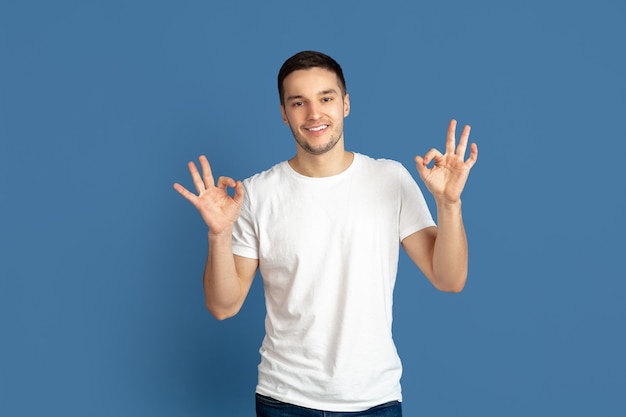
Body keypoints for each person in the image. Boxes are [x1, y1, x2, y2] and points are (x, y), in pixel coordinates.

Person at [173, 50, 478, 417]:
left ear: (345, 104)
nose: (314, 113)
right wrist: (219, 235)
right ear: (284, 114)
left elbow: (450, 278)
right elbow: (223, 307)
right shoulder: (257, 193)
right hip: (285, 400)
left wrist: (449, 205)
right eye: (298, 102)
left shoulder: (390, 179)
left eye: (326, 98)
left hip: (374, 400)